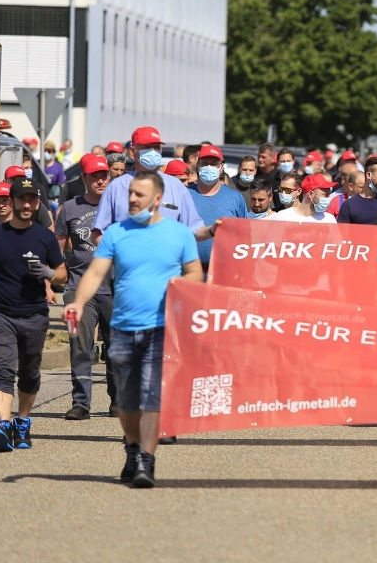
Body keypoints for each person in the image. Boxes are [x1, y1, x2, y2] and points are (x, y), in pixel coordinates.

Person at [65, 172, 203, 488]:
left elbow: (195, 273)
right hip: (124, 328)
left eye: (139, 194)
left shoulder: (179, 234)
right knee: (127, 402)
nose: (131, 199)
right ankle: (131, 445)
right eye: (130, 194)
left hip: (160, 328)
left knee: (152, 396)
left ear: (157, 199)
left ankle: (146, 460)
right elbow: (95, 272)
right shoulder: (116, 234)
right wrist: (77, 303)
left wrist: (181, 284)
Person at [0, 178, 67, 451]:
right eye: (21, 199)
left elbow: (62, 273)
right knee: (1, 369)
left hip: (35, 314)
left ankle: (22, 422)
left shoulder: (44, 237)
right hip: (1, 313)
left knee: (29, 371)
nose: (27, 204)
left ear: (37, 203)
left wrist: (49, 273)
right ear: (11, 202)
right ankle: (3, 423)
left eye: (31, 200)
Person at [55, 155, 118, 420]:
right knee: (78, 344)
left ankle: (118, 400)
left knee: (116, 347)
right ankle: (81, 402)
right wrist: (58, 280)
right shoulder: (69, 209)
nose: (100, 180)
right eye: (94, 176)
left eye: (104, 175)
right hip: (77, 289)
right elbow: (56, 250)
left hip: (114, 289)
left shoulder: (120, 208)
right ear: (83, 179)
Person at [95, 127, 205, 238]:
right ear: (133, 152)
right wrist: (118, 253)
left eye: (156, 147)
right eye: (147, 147)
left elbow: (194, 229)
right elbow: (99, 233)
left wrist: (212, 230)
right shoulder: (116, 187)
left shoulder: (176, 186)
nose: (153, 152)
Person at [187, 145, 250, 273]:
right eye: (204, 163)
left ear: (221, 167)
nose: (209, 167)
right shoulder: (185, 195)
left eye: (214, 163)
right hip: (190, 272)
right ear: (197, 165)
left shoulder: (235, 198)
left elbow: (245, 234)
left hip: (225, 271)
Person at [271, 174, 338, 224]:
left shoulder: (329, 220)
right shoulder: (282, 217)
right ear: (311, 194)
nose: (328, 199)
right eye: (325, 195)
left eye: (328, 195)